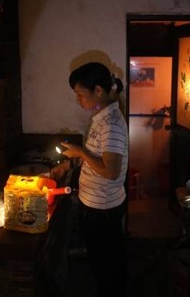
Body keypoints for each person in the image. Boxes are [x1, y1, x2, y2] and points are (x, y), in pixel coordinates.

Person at [51, 62, 128, 297]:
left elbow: (111, 172)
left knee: (105, 265)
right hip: (93, 205)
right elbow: (97, 156)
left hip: (102, 209)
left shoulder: (112, 124)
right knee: (100, 260)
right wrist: (70, 162)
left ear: (97, 90)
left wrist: (80, 152)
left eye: (79, 94)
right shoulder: (100, 117)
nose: (78, 100)